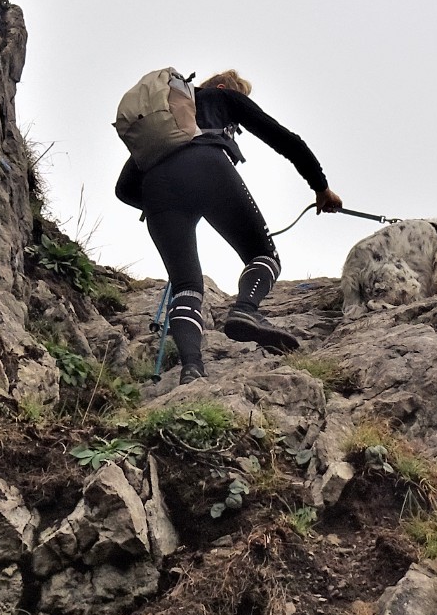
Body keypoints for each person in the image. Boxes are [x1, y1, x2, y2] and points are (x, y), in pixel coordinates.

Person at [115, 70, 342, 384]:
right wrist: (321, 188)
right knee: (263, 255)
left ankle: (191, 370)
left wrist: (169, 206)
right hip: (208, 165)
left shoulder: (164, 131)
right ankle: (246, 309)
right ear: (222, 88)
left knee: (185, 287)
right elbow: (286, 140)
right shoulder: (222, 97)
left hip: (156, 190)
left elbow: (124, 189)